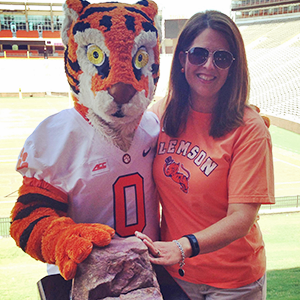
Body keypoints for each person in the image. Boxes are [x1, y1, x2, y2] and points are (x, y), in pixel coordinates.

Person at [136, 10, 275, 300]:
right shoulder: (160, 114)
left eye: (221, 58)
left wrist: (182, 246)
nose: (209, 66)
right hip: (176, 275)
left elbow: (241, 218)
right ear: (183, 60)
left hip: (234, 283)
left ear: (233, 67)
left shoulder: (249, 128)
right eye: (199, 54)